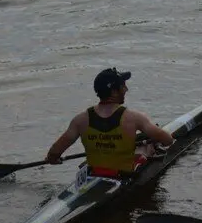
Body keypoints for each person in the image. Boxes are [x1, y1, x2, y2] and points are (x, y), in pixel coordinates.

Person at [45, 68, 175, 177]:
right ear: (114, 91)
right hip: (124, 175)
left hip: (94, 173)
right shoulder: (135, 118)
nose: (126, 89)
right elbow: (168, 140)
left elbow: (54, 153)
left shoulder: (80, 120)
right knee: (148, 145)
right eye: (123, 86)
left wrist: (53, 159)